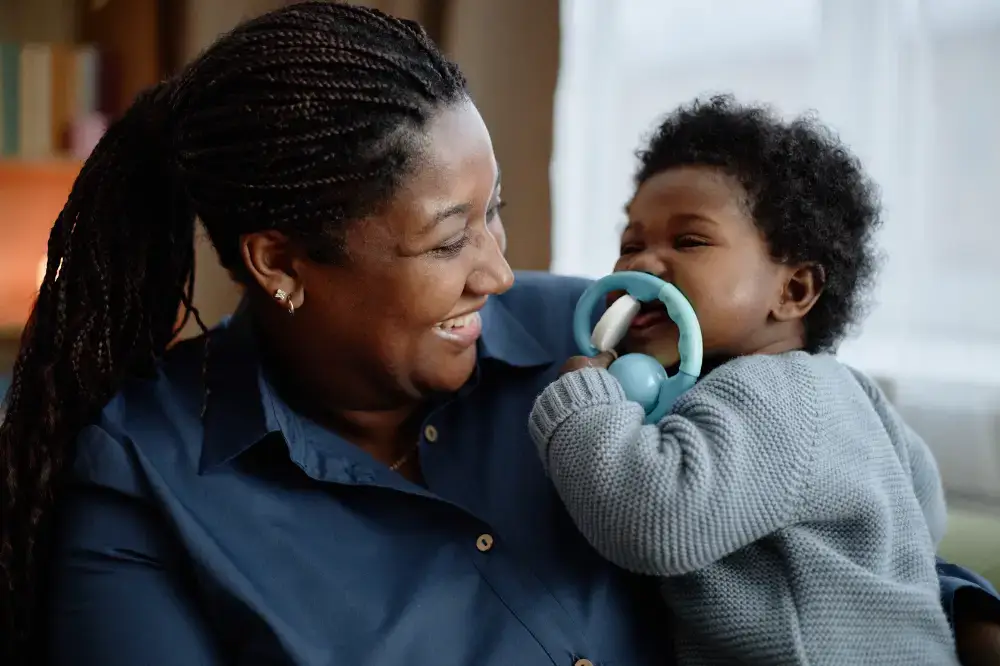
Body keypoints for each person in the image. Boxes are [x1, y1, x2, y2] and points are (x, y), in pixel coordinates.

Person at [0, 3, 996, 665]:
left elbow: (822, 493)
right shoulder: (146, 475)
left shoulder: (606, 336)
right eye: (447, 239)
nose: (499, 271)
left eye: (496, 212)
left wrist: (966, 618)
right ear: (277, 263)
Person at [529, 96, 972, 665]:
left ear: (793, 291)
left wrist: (583, 404)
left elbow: (654, 518)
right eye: (631, 244)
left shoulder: (768, 392)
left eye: (689, 241)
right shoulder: (846, 391)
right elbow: (923, 508)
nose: (641, 264)